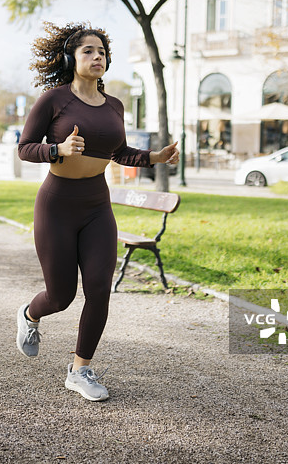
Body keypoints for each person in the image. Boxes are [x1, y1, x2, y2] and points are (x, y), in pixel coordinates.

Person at [15, 22, 179, 402]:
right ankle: (29, 315)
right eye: (88, 51)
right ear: (71, 58)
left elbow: (118, 153)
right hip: (57, 205)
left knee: (99, 289)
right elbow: (24, 148)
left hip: (96, 207)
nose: (96, 56)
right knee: (61, 296)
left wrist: (154, 157)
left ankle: (80, 370)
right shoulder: (54, 100)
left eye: (102, 52)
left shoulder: (114, 106)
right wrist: (56, 150)